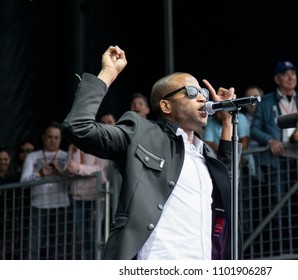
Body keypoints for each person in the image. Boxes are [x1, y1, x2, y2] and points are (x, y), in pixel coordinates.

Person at [62, 45, 241, 260]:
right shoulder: (141, 132)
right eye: (192, 92)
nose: (203, 98)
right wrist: (108, 73)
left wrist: (228, 123)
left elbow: (227, 185)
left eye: (202, 92)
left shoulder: (203, 153)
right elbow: (79, 128)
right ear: (166, 106)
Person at [250, 61, 298, 254]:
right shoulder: (265, 101)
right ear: (277, 79)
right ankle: (281, 253)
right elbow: (254, 129)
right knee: (278, 207)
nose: (291, 77)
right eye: (286, 74)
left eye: (293, 73)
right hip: (276, 161)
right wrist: (270, 140)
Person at [20, 121, 69, 259]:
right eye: (49, 137)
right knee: (33, 245)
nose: (52, 140)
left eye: (56, 137)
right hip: (38, 205)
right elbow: (23, 182)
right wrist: (39, 174)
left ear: (60, 139)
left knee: (59, 245)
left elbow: (75, 183)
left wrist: (63, 173)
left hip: (61, 205)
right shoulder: (32, 156)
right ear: (43, 138)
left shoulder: (66, 156)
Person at [65, 143, 108, 259]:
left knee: (93, 234)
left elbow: (101, 170)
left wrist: (79, 168)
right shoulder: (72, 146)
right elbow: (69, 167)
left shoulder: (98, 145)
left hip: (95, 197)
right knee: (80, 236)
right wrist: (69, 170)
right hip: (77, 197)